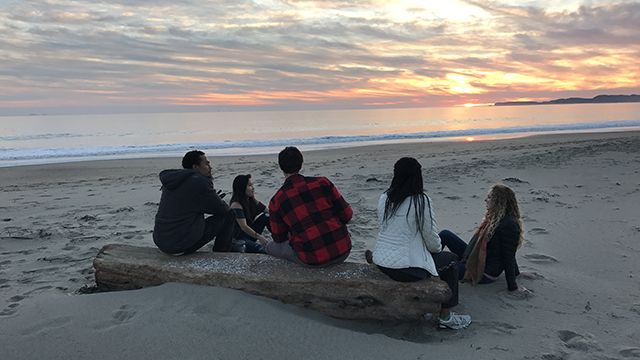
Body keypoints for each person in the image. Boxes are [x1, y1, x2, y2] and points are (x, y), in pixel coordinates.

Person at [367, 157, 472, 330]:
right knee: (451, 260)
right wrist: (436, 251)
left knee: (432, 258)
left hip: (381, 261)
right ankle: (446, 317)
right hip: (406, 269)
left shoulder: (384, 198)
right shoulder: (420, 201)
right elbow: (431, 239)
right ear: (417, 176)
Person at [438, 184, 532, 297]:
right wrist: (517, 273)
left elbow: (509, 255)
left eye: (489, 198)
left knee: (443, 265)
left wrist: (513, 287)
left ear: (498, 201)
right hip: (476, 258)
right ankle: (426, 261)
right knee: (445, 234)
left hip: (484, 272)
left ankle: (426, 267)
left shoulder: (509, 225)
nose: (485, 200)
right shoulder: (494, 218)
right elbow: (508, 251)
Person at [267, 146, 353, 266]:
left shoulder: (277, 200)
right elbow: (347, 214)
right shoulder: (323, 182)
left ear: (281, 168)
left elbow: (279, 238)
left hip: (312, 259)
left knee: (270, 247)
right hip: (342, 249)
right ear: (301, 163)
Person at [153, 150, 234, 254]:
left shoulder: (174, 180)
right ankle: (222, 253)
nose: (210, 167)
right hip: (180, 245)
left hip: (162, 242)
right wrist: (215, 200)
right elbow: (223, 209)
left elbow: (188, 202)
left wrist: (211, 200)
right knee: (229, 214)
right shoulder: (199, 182)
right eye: (206, 164)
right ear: (195, 167)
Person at [229, 174, 270, 253]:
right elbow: (243, 227)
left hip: (250, 235)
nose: (253, 188)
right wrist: (259, 237)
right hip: (238, 239)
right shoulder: (236, 205)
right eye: (249, 185)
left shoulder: (252, 201)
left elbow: (270, 212)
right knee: (262, 249)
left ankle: (280, 239)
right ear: (242, 188)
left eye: (252, 185)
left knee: (267, 216)